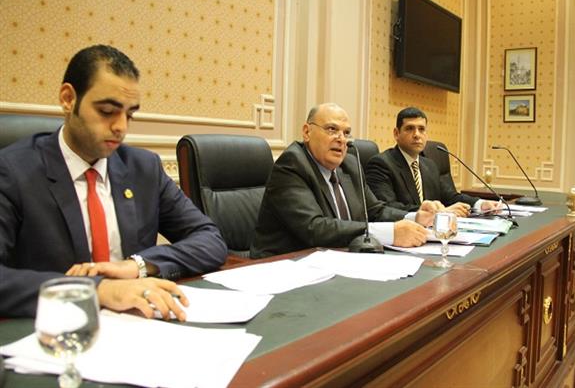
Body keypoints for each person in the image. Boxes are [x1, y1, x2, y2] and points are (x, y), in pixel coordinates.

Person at [0, 45, 227, 319]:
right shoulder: (13, 171)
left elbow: (210, 240)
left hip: (137, 322)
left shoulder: (144, 168)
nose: (121, 127)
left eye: (129, 115)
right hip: (52, 327)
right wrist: (98, 290)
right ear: (68, 99)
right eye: (107, 111)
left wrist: (138, 265)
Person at [251, 103, 431, 259]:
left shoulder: (350, 165)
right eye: (332, 129)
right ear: (307, 132)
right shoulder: (292, 164)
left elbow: (375, 211)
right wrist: (389, 233)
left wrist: (415, 217)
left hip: (340, 259)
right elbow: (314, 228)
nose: (341, 139)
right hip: (286, 264)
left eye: (346, 133)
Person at [366, 107, 500, 218]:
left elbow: (450, 197)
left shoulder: (429, 165)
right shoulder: (381, 164)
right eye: (409, 128)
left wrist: (480, 204)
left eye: (421, 129)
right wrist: (437, 213)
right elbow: (387, 207)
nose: (417, 135)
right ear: (396, 134)